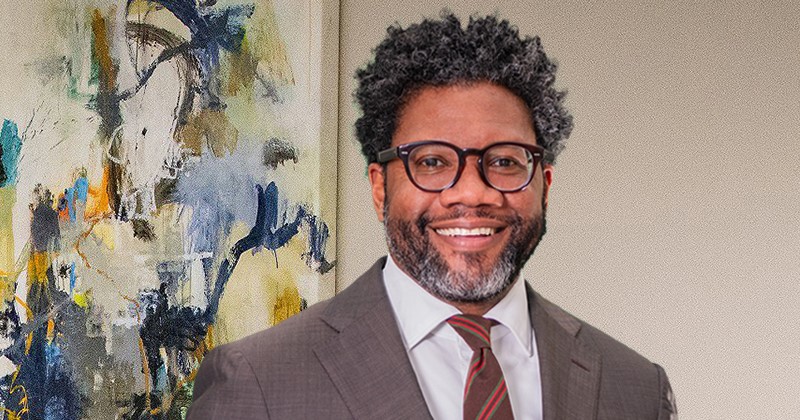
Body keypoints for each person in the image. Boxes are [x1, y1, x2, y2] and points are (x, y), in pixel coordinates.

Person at [187, 12, 677, 420]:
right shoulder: (258, 382)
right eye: (432, 162)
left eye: (505, 162)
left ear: (544, 185)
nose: (473, 192)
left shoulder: (635, 387)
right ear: (380, 188)